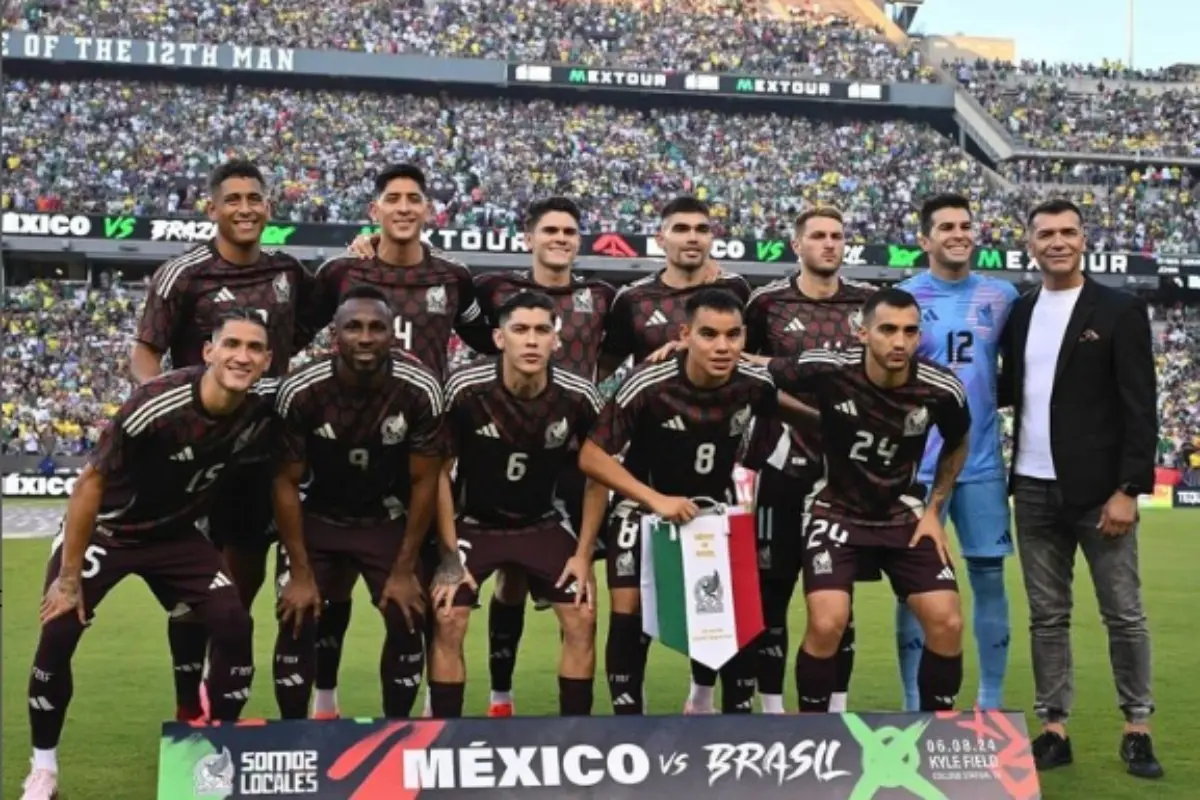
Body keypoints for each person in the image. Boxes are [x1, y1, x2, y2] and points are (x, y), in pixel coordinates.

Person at [22, 311, 278, 800]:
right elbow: (90, 484)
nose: (241, 356)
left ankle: (218, 751)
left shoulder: (265, 406)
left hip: (177, 537)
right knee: (58, 626)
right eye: (231, 345)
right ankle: (44, 770)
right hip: (110, 531)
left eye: (253, 348)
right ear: (209, 351)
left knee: (232, 620)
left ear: (266, 361)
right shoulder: (157, 403)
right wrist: (69, 577)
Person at [300, 163, 490, 720]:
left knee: (425, 588)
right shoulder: (342, 270)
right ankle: (325, 702)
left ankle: (428, 711)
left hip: (422, 443)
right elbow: (294, 331)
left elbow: (491, 337)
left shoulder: (453, 276)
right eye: (393, 199)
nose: (404, 207)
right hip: (343, 440)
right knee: (329, 585)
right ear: (374, 210)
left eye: (414, 199)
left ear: (428, 211)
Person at [130, 159, 312, 722]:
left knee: (243, 590)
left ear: (268, 208)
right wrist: (169, 411)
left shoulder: (289, 273)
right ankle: (190, 709)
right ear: (212, 209)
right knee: (193, 593)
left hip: (262, 454)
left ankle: (223, 698)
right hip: (199, 458)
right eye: (232, 199)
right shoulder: (182, 274)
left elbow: (324, 317)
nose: (245, 208)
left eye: (254, 198)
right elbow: (145, 353)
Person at [999, 198, 1162, 778]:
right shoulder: (1019, 312)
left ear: (1083, 238)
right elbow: (1007, 391)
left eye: (1068, 231)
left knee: (1124, 614)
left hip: (1100, 492)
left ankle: (1137, 727)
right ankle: (1053, 729)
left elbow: (1141, 408)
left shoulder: (1119, 309)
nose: (1058, 242)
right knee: (1047, 616)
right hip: (1034, 487)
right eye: (1046, 234)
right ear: (1031, 243)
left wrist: (1129, 488)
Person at [764, 288, 970, 713]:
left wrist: (934, 511)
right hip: (834, 509)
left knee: (948, 622)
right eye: (888, 330)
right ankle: (813, 734)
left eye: (910, 331)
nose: (899, 342)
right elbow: (760, 373)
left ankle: (938, 735)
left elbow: (958, 440)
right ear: (862, 333)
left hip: (903, 514)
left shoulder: (941, 388)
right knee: (827, 622)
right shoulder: (827, 369)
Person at [580, 287, 778, 716]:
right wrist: (657, 499)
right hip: (644, 506)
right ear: (686, 334)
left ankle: (726, 720)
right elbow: (591, 455)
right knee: (629, 609)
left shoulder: (754, 383)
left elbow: (795, 415)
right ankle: (629, 722)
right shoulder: (649, 382)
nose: (722, 346)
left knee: (729, 616)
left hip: (714, 508)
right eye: (709, 334)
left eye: (733, 335)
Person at [598, 195, 751, 714]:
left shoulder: (735, 292)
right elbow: (603, 366)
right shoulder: (633, 299)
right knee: (628, 604)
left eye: (701, 228)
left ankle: (702, 704)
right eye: (680, 228)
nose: (692, 237)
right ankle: (627, 718)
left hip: (713, 474)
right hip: (647, 464)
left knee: (713, 606)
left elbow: (758, 370)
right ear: (660, 238)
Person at [466, 197, 615, 718]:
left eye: (570, 231)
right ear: (527, 237)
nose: (560, 238)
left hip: (571, 456)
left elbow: (614, 352)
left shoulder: (600, 295)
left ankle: (577, 720)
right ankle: (499, 697)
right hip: (505, 445)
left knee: (576, 588)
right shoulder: (493, 291)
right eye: (549, 229)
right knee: (507, 575)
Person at [271, 286, 450, 719]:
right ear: (336, 335)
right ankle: (295, 736)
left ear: (393, 335)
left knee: (408, 617)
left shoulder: (419, 388)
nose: (365, 337)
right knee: (296, 616)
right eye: (354, 327)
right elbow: (284, 483)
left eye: (376, 328)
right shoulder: (300, 390)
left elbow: (426, 480)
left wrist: (406, 569)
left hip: (384, 518)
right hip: (317, 517)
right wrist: (299, 571)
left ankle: (395, 734)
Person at [428, 291, 608, 718]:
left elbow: (598, 476)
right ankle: (442, 736)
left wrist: (583, 556)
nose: (531, 340)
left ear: (556, 341)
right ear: (498, 337)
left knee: (582, 613)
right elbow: (437, 472)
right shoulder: (465, 389)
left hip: (540, 522)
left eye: (542, 330)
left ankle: (575, 735)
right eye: (520, 330)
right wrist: (449, 555)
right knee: (449, 617)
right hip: (474, 522)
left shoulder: (578, 395)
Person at [740, 206, 876, 714]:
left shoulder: (868, 304)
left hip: (849, 475)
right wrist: (815, 417)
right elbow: (746, 375)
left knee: (840, 597)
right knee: (771, 589)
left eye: (837, 236)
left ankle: (836, 710)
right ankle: (773, 711)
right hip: (782, 466)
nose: (829, 244)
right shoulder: (767, 304)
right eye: (817, 236)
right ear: (796, 245)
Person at [895, 193, 1019, 711]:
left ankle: (990, 703)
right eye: (945, 226)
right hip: (916, 467)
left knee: (988, 575)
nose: (958, 234)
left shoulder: (1003, 296)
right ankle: (912, 704)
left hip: (982, 462)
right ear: (925, 240)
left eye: (966, 225)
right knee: (912, 585)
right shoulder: (902, 298)